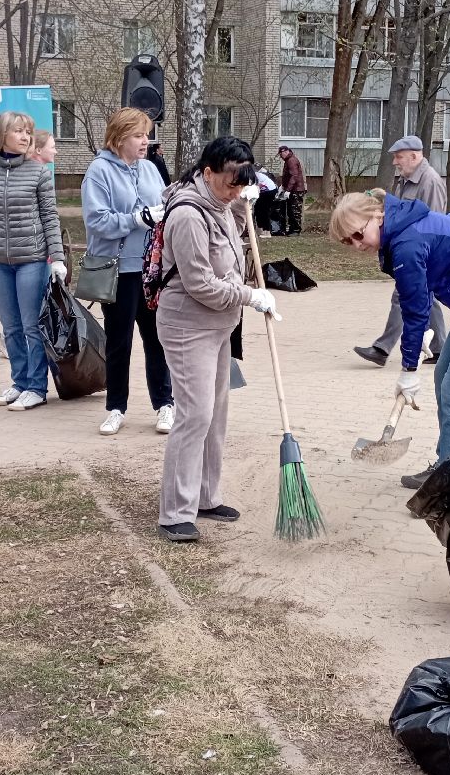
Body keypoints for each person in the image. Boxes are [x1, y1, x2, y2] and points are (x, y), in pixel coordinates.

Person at [330, 184, 450, 490]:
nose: (356, 244)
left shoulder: (406, 242)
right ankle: (449, 463)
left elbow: (416, 308)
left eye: (357, 233)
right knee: (444, 377)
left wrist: (408, 370)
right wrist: (418, 340)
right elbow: (419, 295)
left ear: (377, 215)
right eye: (347, 241)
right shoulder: (398, 230)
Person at [155, 136, 278, 542]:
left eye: (241, 183)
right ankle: (175, 512)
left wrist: (245, 208)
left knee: (216, 416)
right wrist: (250, 296)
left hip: (219, 327)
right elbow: (199, 284)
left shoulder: (223, 204)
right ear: (207, 172)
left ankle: (206, 496)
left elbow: (230, 248)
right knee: (195, 415)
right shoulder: (188, 214)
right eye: (230, 183)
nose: (234, 190)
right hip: (188, 326)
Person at [82, 107, 175, 435]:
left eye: (146, 134)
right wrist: (137, 219)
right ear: (118, 138)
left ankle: (165, 404)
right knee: (119, 342)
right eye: (138, 135)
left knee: (158, 338)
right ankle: (116, 408)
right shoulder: (99, 171)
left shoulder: (150, 169)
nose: (145, 141)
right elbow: (97, 221)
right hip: (117, 270)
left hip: (151, 268)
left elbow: (165, 206)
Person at [0, 111, 66, 412]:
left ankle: (37, 387)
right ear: (2, 135)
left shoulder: (38, 173)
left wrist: (57, 258)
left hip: (31, 260)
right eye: (19, 131)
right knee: (10, 328)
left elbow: (50, 217)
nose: (25, 137)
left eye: (28, 132)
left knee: (31, 326)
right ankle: (20, 382)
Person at [354, 136, 448, 368]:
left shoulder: (430, 181)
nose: (395, 162)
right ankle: (441, 349)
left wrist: (421, 253)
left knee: (403, 296)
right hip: (408, 249)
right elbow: (402, 211)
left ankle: (382, 349)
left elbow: (434, 221)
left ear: (414, 156)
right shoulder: (405, 179)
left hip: (421, 252)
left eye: (399, 157)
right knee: (427, 298)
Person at [276, 145, 308, 235]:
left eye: (281, 154)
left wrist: (288, 189)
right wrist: (283, 186)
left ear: (285, 152)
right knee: (290, 210)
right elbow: (288, 176)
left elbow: (294, 176)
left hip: (296, 190)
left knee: (295, 211)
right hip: (293, 189)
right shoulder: (288, 160)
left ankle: (296, 230)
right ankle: (291, 229)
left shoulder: (291, 161)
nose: (280, 157)